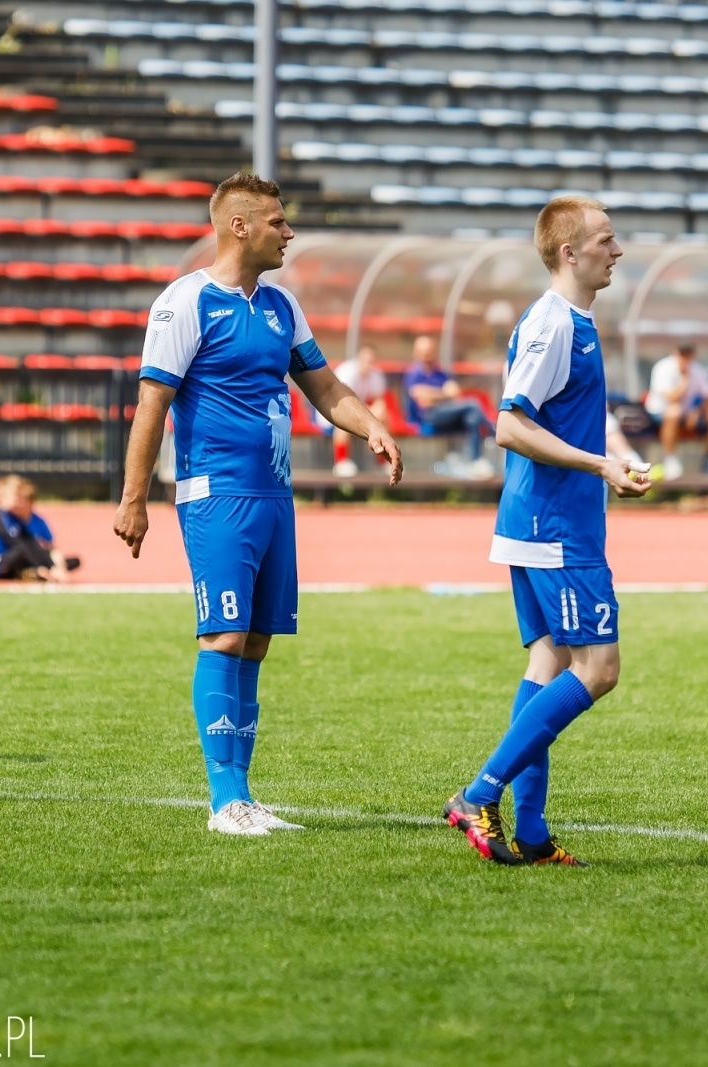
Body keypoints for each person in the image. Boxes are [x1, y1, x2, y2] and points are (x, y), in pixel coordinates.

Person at [113, 173, 403, 836]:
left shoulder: (280, 307)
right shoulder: (184, 304)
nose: (289, 232)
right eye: (277, 221)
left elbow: (326, 388)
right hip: (216, 495)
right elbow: (151, 404)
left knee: (259, 643)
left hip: (274, 497)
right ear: (239, 226)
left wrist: (372, 426)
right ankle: (224, 801)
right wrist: (134, 499)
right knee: (224, 634)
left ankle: (244, 794)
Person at [442, 195, 651, 866]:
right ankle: (479, 792)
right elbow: (510, 423)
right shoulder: (555, 323)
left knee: (549, 664)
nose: (616, 251)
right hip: (555, 524)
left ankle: (529, 831)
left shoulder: (576, 321)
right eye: (606, 240)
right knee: (601, 668)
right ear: (570, 252)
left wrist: (612, 455)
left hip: (547, 519)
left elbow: (562, 416)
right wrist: (598, 464)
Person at [403, 334, 495, 478]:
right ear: (417, 353)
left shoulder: (439, 372)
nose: (428, 355)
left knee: (472, 418)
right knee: (472, 404)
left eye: (430, 351)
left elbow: (455, 392)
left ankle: (475, 462)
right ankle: (492, 432)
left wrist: (434, 395)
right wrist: (443, 394)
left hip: (444, 412)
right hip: (428, 416)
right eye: (424, 352)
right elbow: (422, 399)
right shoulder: (414, 372)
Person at [644, 343, 708, 481]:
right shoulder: (663, 368)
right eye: (682, 354)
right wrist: (684, 380)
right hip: (659, 413)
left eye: (688, 354)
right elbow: (671, 398)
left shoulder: (698, 370)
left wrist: (696, 412)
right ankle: (670, 460)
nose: (685, 359)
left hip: (686, 413)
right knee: (674, 412)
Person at [0, 474, 79, 582]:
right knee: (24, 549)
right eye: (17, 498)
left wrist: (57, 565)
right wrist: (46, 566)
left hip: (12, 556)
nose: (21, 502)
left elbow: (43, 545)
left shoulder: (16, 518)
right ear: (1, 498)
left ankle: (34, 571)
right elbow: (21, 544)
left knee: (69, 560)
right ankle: (36, 571)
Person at [330, 344, 388, 477]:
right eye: (366, 360)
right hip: (331, 410)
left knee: (384, 418)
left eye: (371, 360)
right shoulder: (347, 372)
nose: (369, 364)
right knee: (344, 421)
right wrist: (370, 411)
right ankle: (341, 462)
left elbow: (379, 400)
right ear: (358, 359)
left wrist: (378, 411)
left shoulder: (376, 374)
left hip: (359, 412)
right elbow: (343, 404)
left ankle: (384, 461)